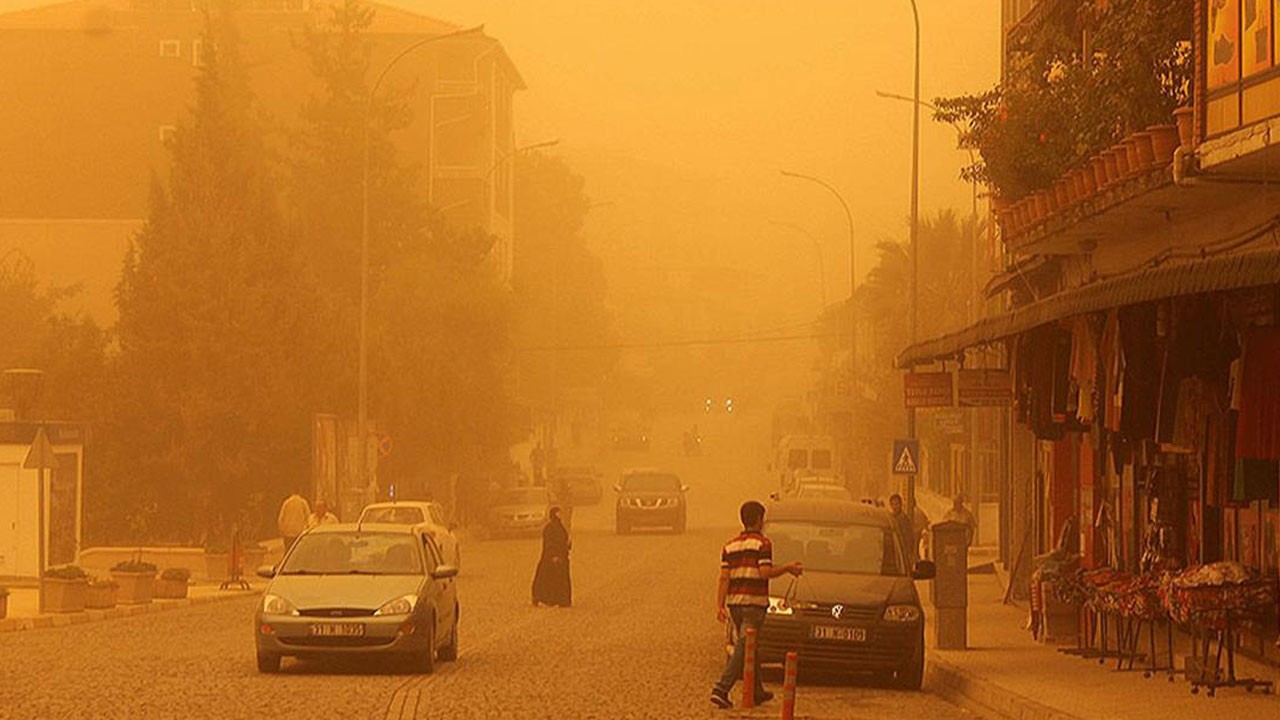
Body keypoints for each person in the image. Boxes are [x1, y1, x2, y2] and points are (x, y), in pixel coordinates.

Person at [711, 501, 803, 710]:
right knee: (744, 646)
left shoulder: (730, 546)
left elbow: (724, 578)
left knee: (752, 646)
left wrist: (720, 605)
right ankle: (721, 688)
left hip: (734, 604)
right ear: (759, 520)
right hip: (754, 604)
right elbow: (764, 573)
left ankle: (757, 692)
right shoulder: (763, 544)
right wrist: (788, 568)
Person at [531, 507, 572, 607]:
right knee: (548, 579)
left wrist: (568, 545)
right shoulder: (549, 528)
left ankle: (562, 600)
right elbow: (549, 544)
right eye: (558, 513)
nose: (560, 515)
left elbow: (563, 540)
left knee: (560, 580)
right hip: (551, 558)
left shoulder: (560, 526)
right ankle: (544, 598)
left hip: (562, 557)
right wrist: (553, 556)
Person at [888, 494, 919, 565]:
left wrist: (907, 553)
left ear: (900, 504)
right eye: (893, 504)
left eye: (896, 504)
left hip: (902, 552)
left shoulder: (904, 520)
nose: (895, 507)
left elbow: (908, 538)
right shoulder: (890, 518)